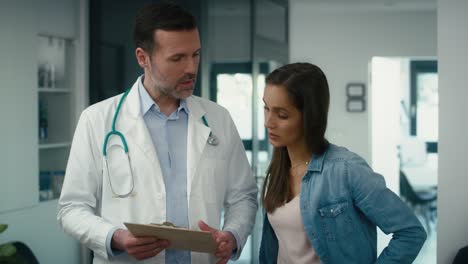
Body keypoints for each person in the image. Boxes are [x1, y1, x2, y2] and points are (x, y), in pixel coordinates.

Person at [57, 2, 257, 264]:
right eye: (177, 58)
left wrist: (232, 235)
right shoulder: (97, 120)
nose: (191, 68)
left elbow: (243, 196)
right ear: (143, 58)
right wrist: (115, 236)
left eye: (195, 54)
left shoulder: (218, 119)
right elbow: (71, 208)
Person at [259, 63, 427, 263]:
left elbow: (410, 232)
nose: (268, 122)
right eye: (266, 109)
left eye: (282, 115)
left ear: (310, 117)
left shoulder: (346, 169)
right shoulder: (278, 170)